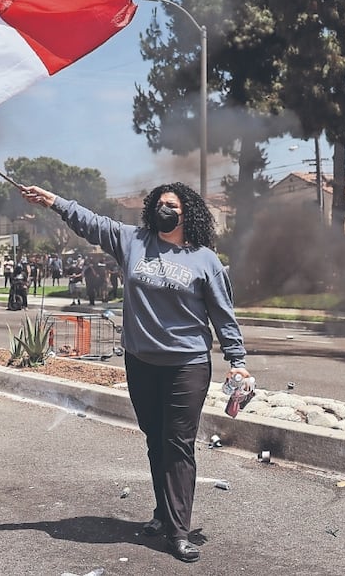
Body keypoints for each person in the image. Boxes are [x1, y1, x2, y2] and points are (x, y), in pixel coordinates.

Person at [21, 181, 248, 564]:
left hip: (186, 365)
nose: (164, 210)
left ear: (185, 212)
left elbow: (223, 314)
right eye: (159, 204)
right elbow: (90, 222)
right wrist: (54, 201)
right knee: (155, 440)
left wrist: (237, 359)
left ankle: (179, 531)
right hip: (141, 362)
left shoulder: (205, 259)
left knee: (178, 443)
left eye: (171, 205)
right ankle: (164, 513)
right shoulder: (133, 242)